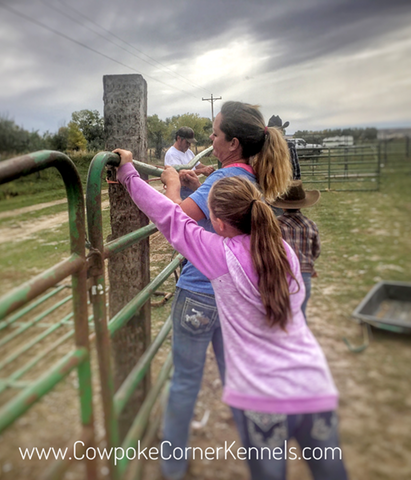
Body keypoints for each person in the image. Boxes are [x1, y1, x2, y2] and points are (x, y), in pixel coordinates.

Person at [113, 149, 348, 480]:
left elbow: (169, 217)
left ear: (219, 224)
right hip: (313, 385)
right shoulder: (285, 253)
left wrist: (128, 173)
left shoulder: (220, 256)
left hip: (262, 398)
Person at [157, 101, 293, 480]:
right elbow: (220, 215)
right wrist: (197, 187)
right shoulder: (248, 179)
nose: (211, 141)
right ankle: (263, 462)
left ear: (232, 142)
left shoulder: (222, 179)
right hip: (233, 297)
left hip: (199, 293)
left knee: (185, 380)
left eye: (215, 135)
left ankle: (172, 468)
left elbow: (176, 221)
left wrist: (170, 183)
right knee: (238, 380)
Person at [270, 180, 321, 321]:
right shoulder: (310, 225)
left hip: (281, 273)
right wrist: (309, 264)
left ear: (283, 206)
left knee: (281, 315)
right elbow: (316, 250)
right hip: (303, 274)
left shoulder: (275, 225)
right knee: (300, 313)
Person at [164, 127, 215, 199]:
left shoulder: (189, 152)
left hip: (191, 187)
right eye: (187, 142)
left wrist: (208, 169)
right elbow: (180, 174)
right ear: (179, 139)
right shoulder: (172, 154)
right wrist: (202, 171)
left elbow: (198, 165)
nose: (189, 145)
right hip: (181, 190)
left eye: (190, 143)